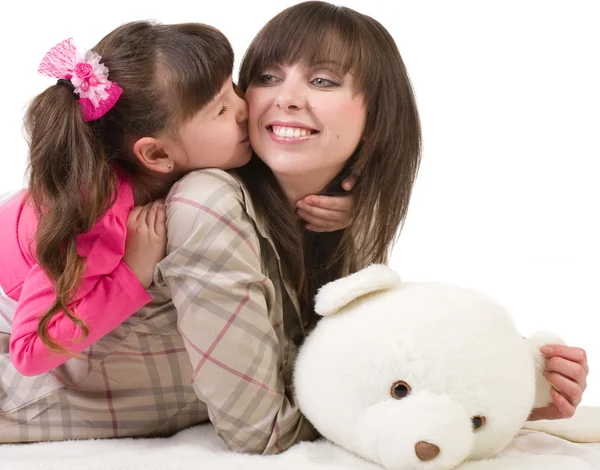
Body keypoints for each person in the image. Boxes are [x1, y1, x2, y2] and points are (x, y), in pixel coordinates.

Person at [0, 2, 587, 451]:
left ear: (376, 116)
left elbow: (337, 362)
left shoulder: (316, 216)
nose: (283, 100)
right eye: (267, 77)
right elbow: (262, 430)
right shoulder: (198, 202)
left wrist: (497, 395)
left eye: (324, 81)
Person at [0, 20, 352, 379]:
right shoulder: (90, 225)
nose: (244, 107)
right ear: (155, 154)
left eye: (231, 87)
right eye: (220, 110)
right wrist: (132, 272)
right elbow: (29, 353)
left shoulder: (179, 158)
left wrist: (346, 203)